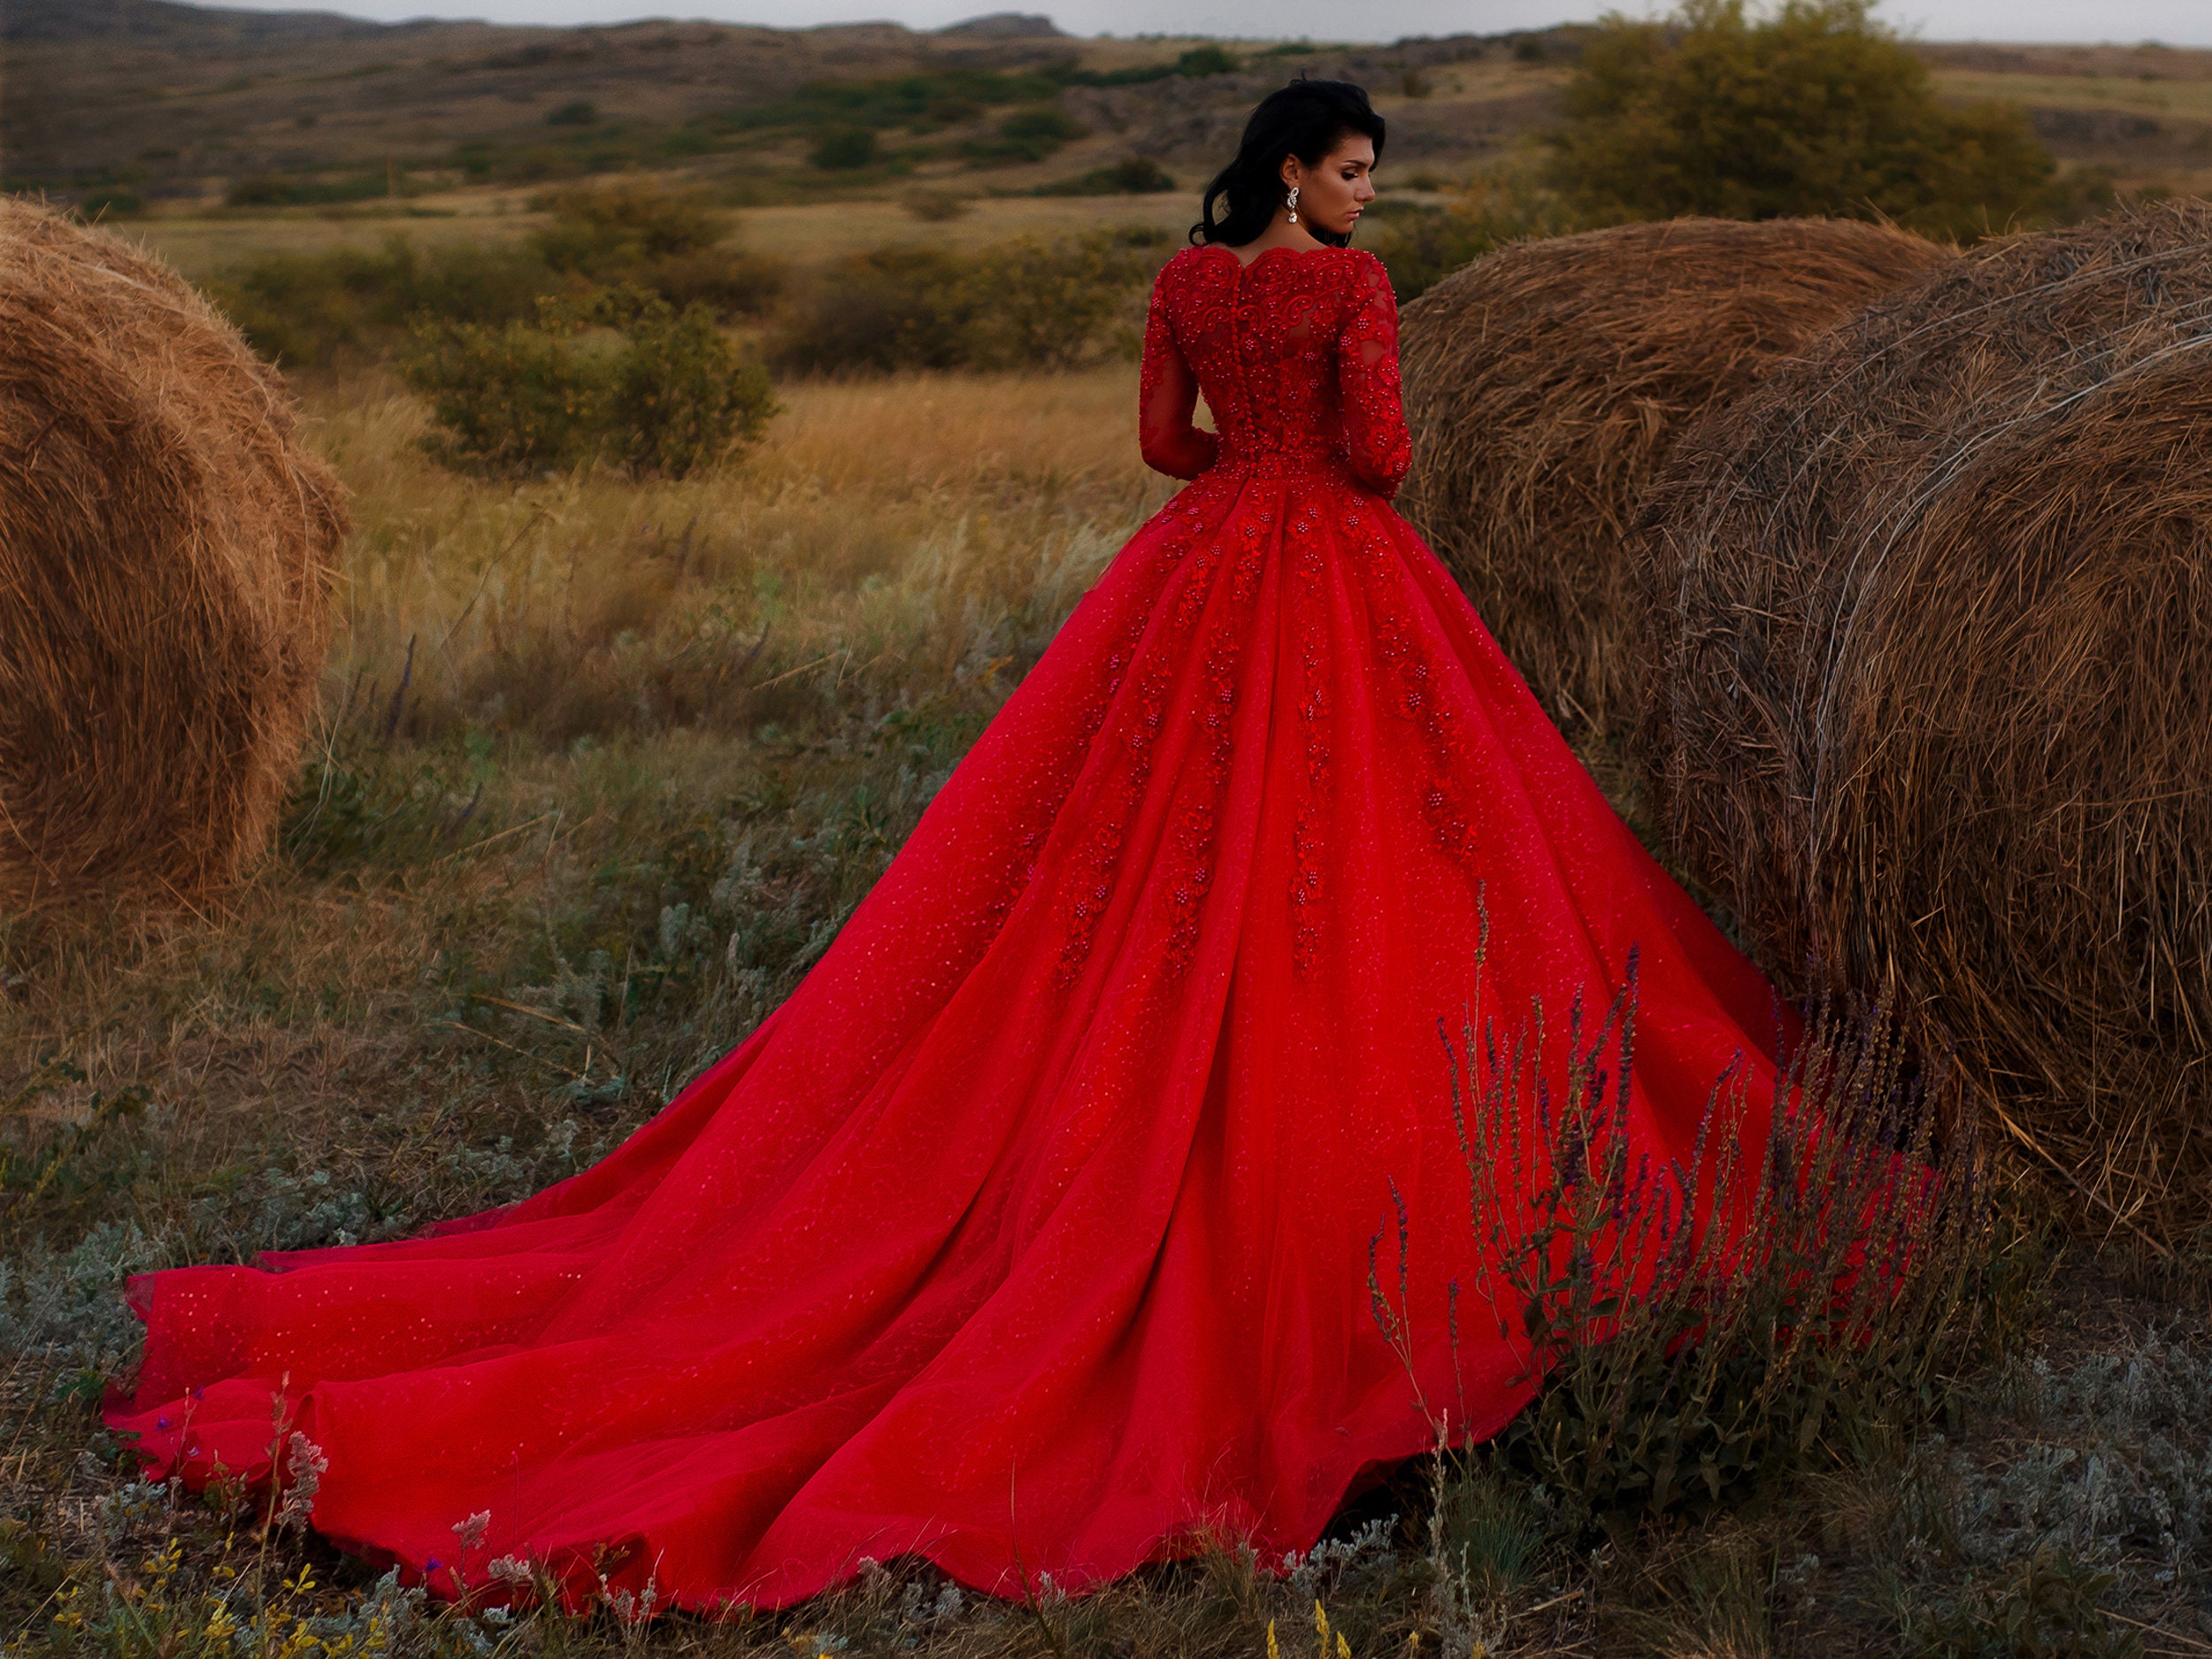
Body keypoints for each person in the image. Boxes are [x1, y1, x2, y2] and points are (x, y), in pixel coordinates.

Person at [107, 80, 1788, 1615]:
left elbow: (1159, 450)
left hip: (1203, 572)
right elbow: (1385, 456)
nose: (1366, 197)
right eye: (1353, 171)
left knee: (1121, 860)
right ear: (1298, 167)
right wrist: (1322, 452)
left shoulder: (1186, 282)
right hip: (1334, 575)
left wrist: (1235, 469)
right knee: (1395, 860)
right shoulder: (1351, 289)